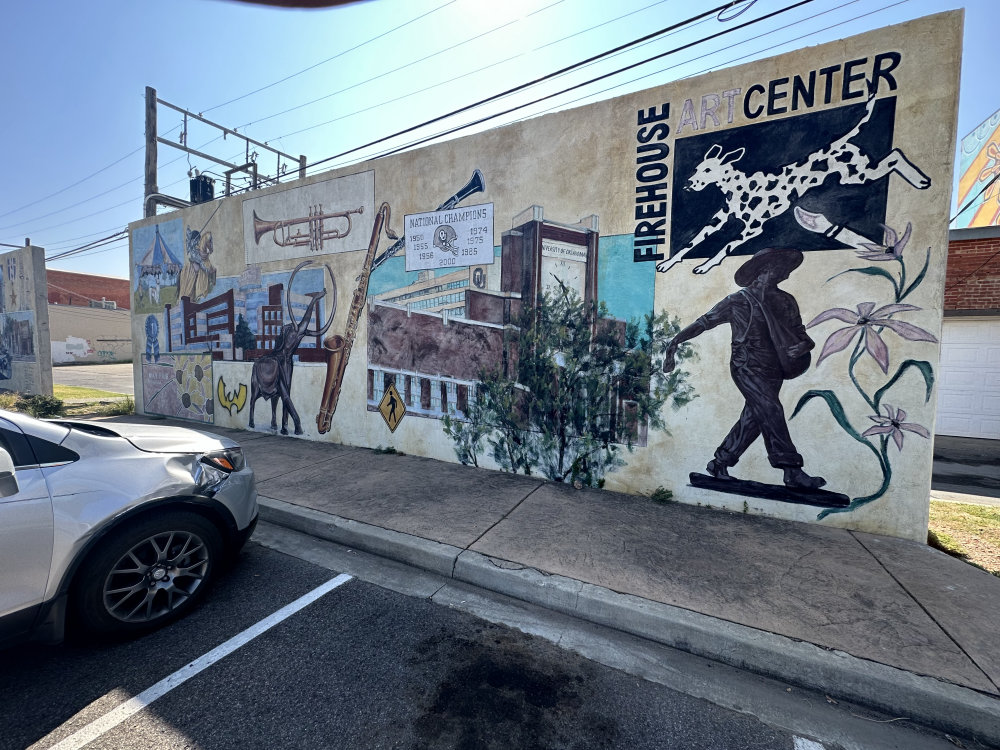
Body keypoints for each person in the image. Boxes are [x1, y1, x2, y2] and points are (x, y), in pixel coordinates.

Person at [662, 247, 824, 489]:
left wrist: (803, 347)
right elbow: (704, 322)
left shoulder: (786, 301)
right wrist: (675, 342)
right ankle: (791, 470)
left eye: (785, 271)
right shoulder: (738, 301)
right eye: (780, 270)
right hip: (746, 365)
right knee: (771, 410)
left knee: (755, 418)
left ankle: (720, 462)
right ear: (763, 271)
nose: (785, 275)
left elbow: (803, 335)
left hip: (776, 367)